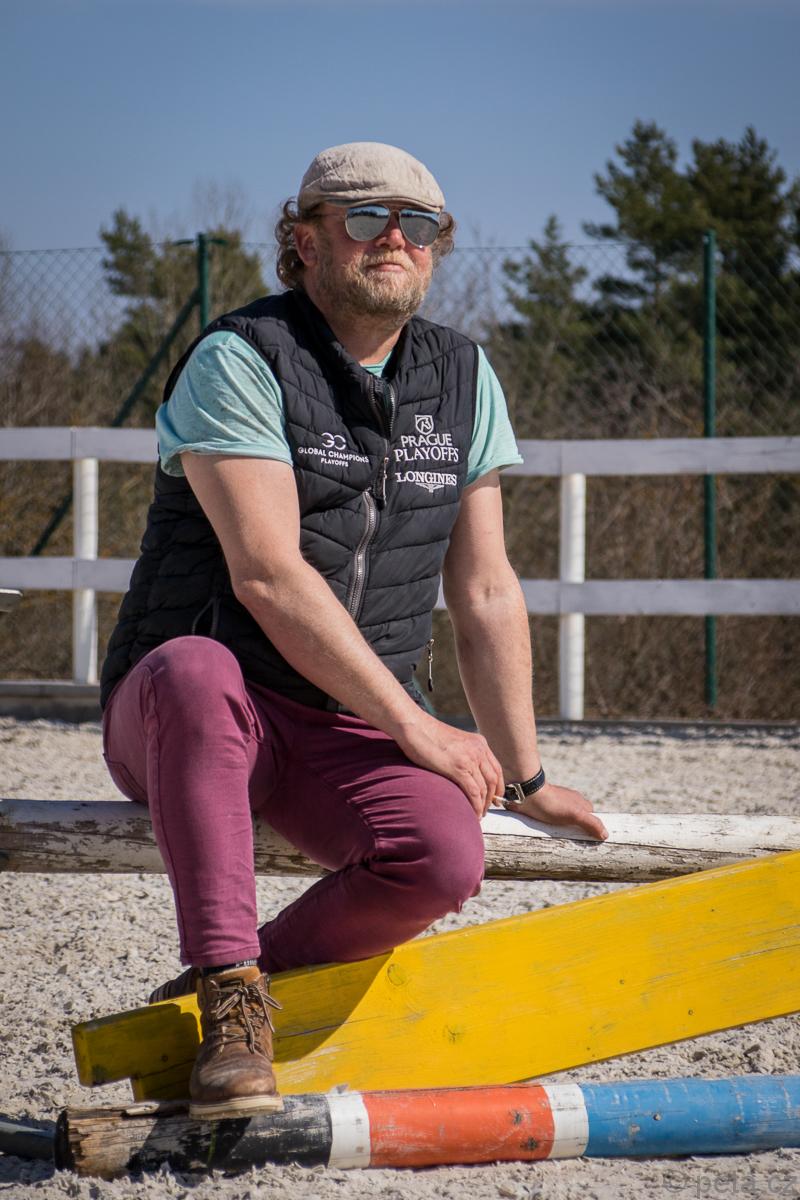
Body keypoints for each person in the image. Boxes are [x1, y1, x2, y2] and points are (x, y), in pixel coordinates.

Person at [99, 142, 607, 1121]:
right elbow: (267, 574)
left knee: (442, 855)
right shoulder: (240, 357)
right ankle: (230, 993)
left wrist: (526, 775)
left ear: (437, 246)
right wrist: (417, 726)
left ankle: (231, 994)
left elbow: (485, 588)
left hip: (343, 721)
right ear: (303, 239)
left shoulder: (464, 377)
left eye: (419, 225)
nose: (395, 240)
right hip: (192, 711)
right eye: (365, 218)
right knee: (197, 671)